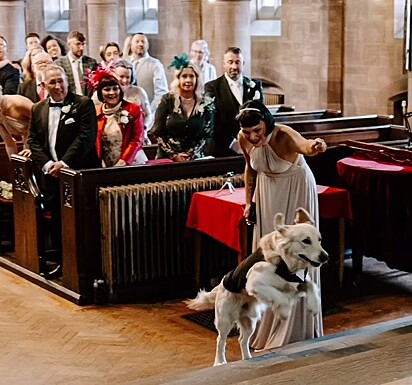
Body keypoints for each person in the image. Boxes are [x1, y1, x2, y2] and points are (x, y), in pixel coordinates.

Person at [236, 99, 327, 351]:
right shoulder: (244, 139)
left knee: (295, 256)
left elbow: (304, 146)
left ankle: (295, 328)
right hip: (267, 193)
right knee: (269, 257)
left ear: (266, 122)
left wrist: (315, 146)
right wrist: (248, 202)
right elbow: (250, 168)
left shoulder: (283, 135)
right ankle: (266, 324)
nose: (253, 137)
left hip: (295, 188)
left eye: (257, 130)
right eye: (248, 132)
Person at [28, 63, 100, 278]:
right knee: (58, 220)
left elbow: (85, 138)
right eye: (53, 82)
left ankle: (87, 268)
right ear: (44, 85)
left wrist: (65, 163)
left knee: (83, 222)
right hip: (51, 174)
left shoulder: (83, 104)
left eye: (61, 81)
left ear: (67, 82)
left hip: (79, 173)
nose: (58, 86)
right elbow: (32, 140)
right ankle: (61, 263)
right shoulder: (37, 108)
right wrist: (49, 165)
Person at [150, 54, 214, 162]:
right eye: (184, 76)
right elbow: (158, 132)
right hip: (168, 158)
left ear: (197, 78)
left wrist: (190, 155)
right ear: (178, 78)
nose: (188, 80)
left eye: (191, 76)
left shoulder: (206, 103)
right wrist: (174, 155)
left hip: (195, 159)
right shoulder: (167, 100)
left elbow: (207, 134)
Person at [204, 46, 263, 157]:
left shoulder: (255, 86)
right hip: (221, 149)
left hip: (251, 148)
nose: (234, 67)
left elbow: (261, 116)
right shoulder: (212, 87)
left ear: (243, 63)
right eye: (230, 62)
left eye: (237, 62)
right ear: (224, 64)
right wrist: (233, 143)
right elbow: (212, 121)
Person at [90, 69, 145, 167]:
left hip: (131, 161)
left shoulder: (133, 109)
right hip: (107, 165)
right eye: (107, 90)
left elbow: (137, 139)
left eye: (115, 89)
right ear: (100, 93)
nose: (112, 93)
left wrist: (124, 161)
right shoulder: (96, 113)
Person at [126, 33, 168, 121]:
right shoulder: (124, 63)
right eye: (137, 41)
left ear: (147, 45)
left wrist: (150, 112)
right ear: (131, 45)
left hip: (148, 116)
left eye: (143, 42)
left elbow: (161, 92)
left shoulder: (155, 64)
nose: (140, 44)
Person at [110, 58, 153, 141]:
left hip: (137, 136)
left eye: (128, 77)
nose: (125, 80)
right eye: (121, 76)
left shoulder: (139, 91)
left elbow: (149, 114)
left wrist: (144, 128)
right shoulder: (106, 92)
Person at [55, 30, 98, 95]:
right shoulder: (59, 64)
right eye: (78, 44)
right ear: (68, 45)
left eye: (83, 44)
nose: (81, 48)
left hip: (89, 101)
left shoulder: (91, 62)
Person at [0, 87, 33, 158]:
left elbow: (43, 123)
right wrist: (15, 166)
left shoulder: (18, 103)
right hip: (27, 144)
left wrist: (33, 148)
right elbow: (9, 143)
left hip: (43, 140)